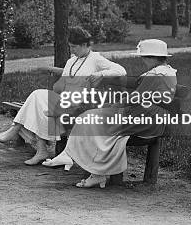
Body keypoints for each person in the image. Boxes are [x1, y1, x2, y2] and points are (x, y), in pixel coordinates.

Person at [43, 39, 177, 188]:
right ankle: (85, 165)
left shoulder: (157, 73)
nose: (143, 60)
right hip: (148, 115)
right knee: (90, 118)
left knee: (91, 119)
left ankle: (92, 168)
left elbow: (137, 97)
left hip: (148, 118)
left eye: (144, 57)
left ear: (151, 57)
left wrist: (116, 104)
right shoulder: (164, 71)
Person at [0, 26, 127, 165]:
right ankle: (36, 146)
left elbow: (121, 70)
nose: (73, 50)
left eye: (75, 47)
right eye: (71, 47)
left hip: (80, 104)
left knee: (40, 106)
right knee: (37, 96)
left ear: (85, 45)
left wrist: (100, 74)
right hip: (64, 99)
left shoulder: (95, 59)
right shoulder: (71, 61)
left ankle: (21, 133)